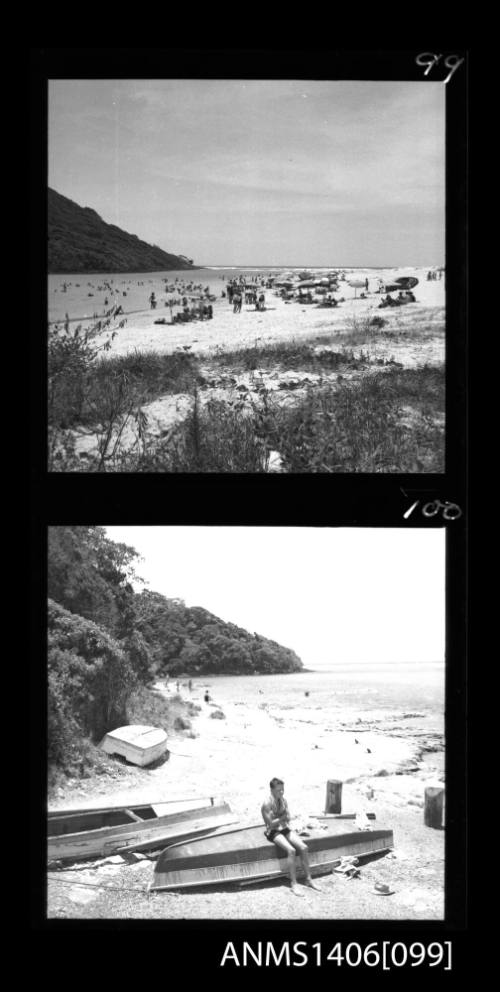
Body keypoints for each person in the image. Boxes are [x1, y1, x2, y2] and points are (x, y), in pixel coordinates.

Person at [261, 778, 322, 896]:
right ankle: (294, 884)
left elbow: (288, 817)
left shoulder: (283, 800)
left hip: (283, 828)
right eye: (279, 790)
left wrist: (282, 818)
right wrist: (283, 817)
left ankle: (309, 879)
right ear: (272, 790)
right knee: (291, 850)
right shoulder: (267, 804)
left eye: (283, 790)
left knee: (304, 847)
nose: (282, 792)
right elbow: (270, 823)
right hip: (272, 832)